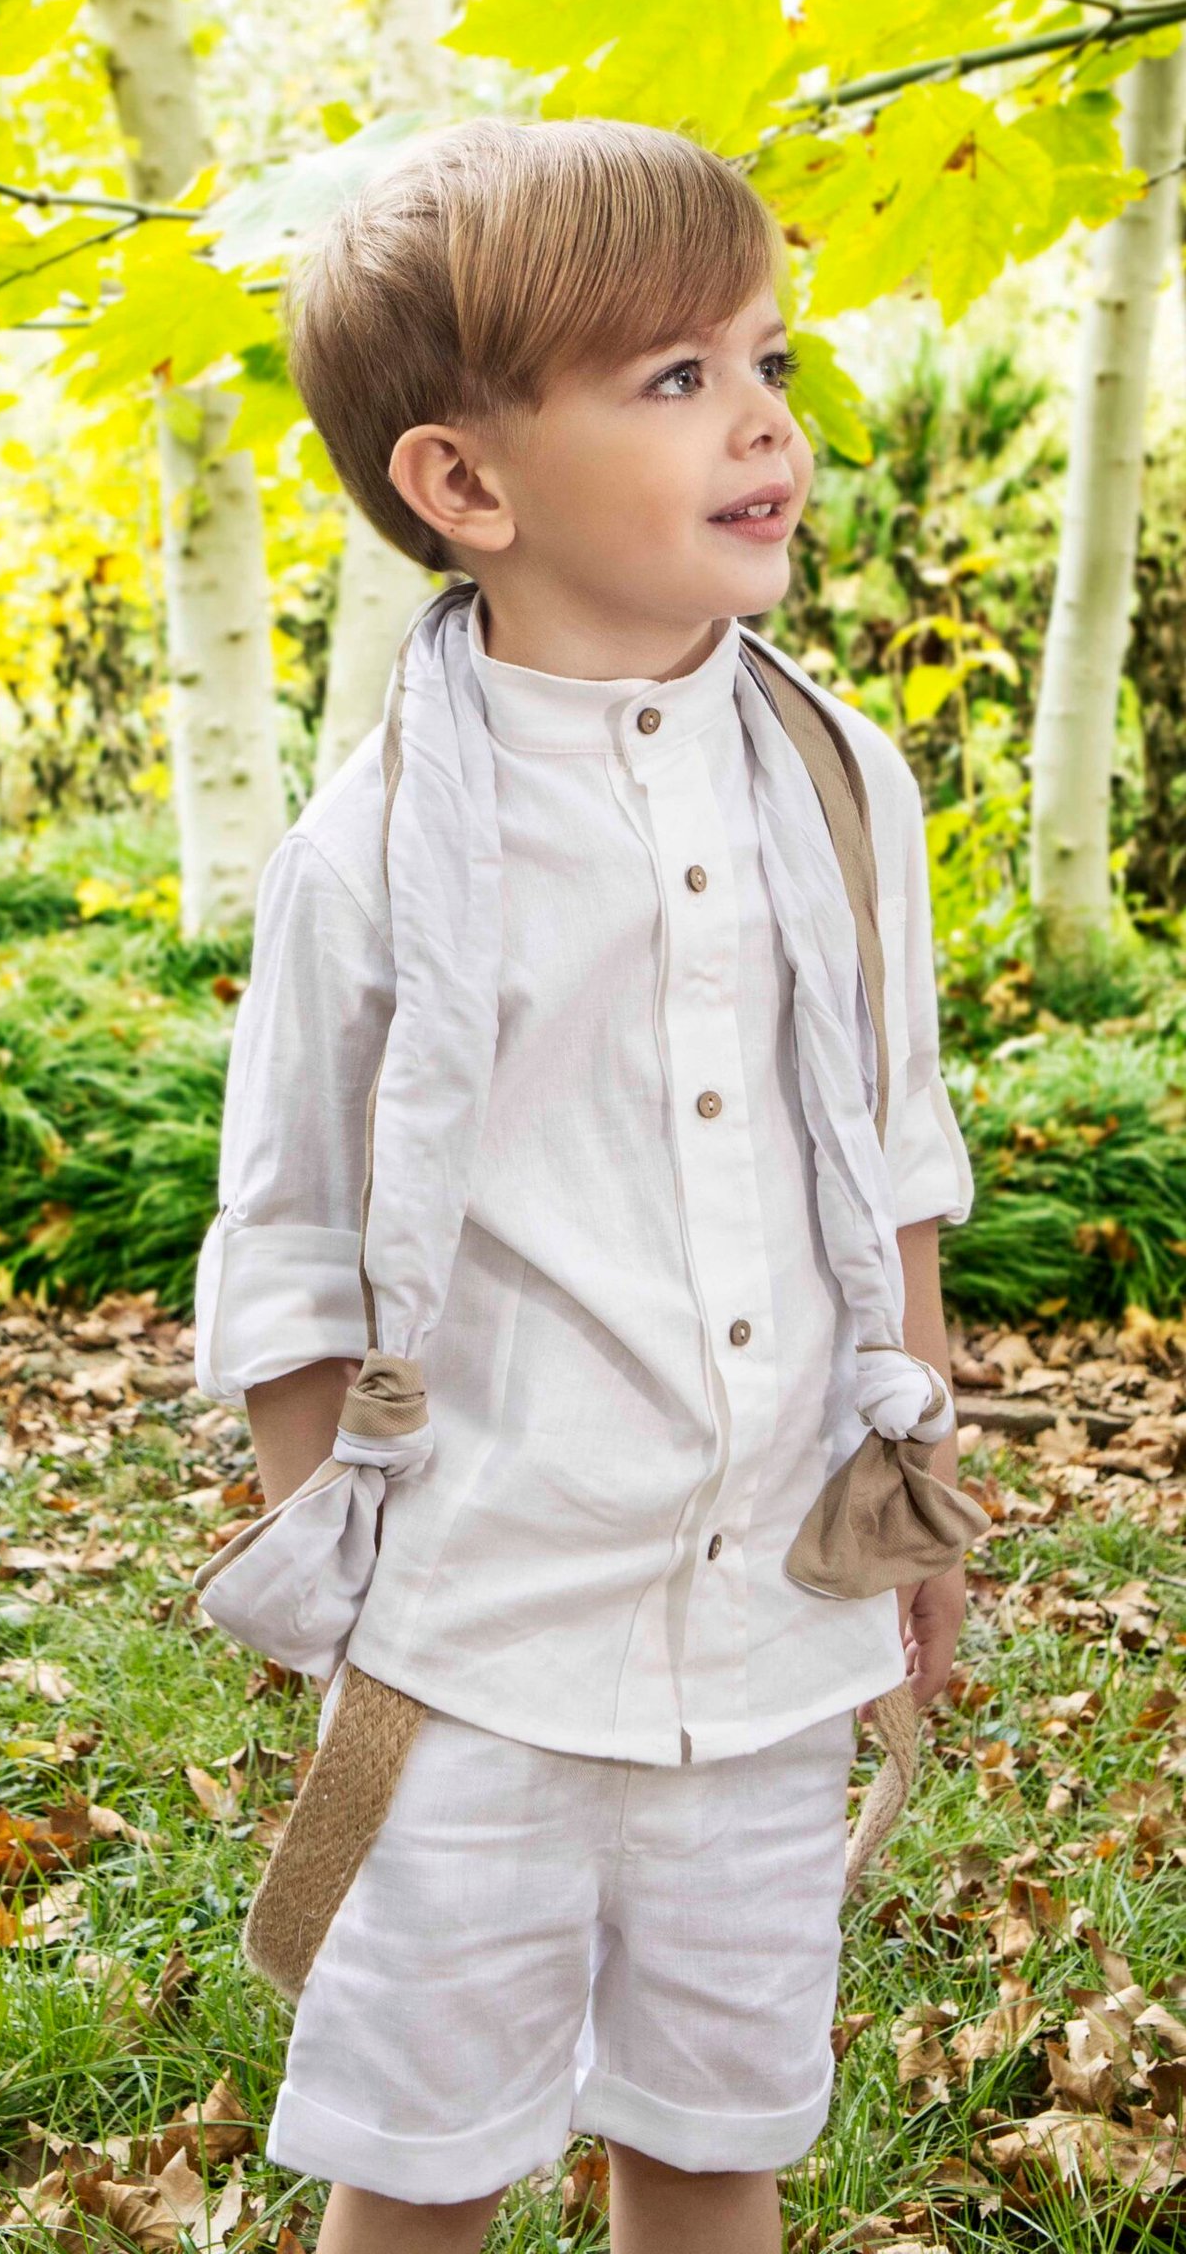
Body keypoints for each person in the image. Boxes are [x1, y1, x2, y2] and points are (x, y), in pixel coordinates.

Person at [191, 118, 975, 2254]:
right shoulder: (367, 854)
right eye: (676, 378)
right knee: (425, 2156)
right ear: (466, 483)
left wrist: (911, 1477)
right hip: (478, 1652)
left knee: (715, 2134)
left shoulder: (843, 778)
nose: (764, 423)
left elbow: (889, 1149)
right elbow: (291, 1253)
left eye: (764, 361)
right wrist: (353, 1597)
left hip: (773, 1610)